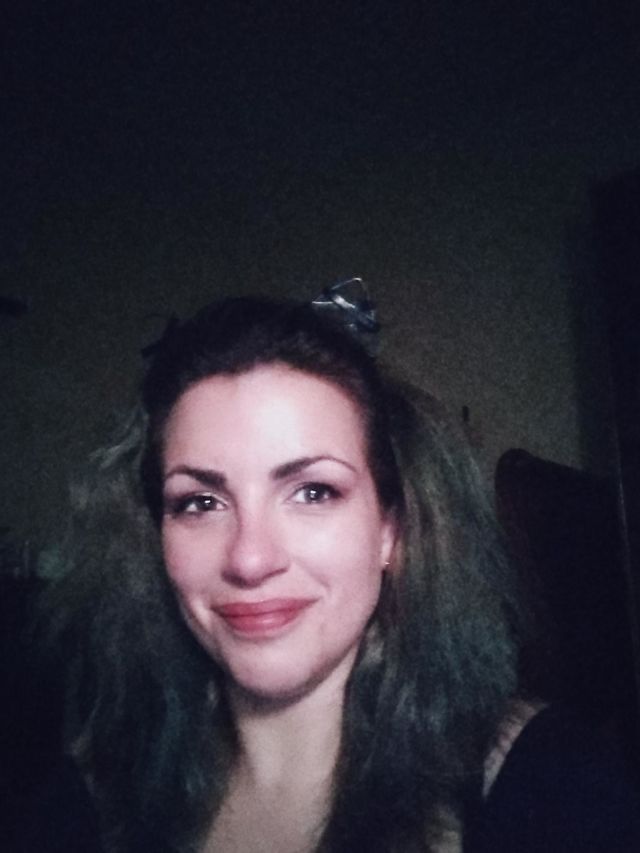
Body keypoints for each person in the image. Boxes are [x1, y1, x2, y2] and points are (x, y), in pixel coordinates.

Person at [12, 288, 640, 852]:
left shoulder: (556, 789)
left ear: (390, 529)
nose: (250, 559)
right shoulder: (89, 800)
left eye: (313, 492)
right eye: (200, 503)